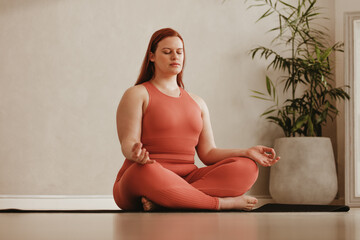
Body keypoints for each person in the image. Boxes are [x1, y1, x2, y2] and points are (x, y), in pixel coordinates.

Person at [113, 28, 280, 211]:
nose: (174, 57)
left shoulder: (197, 102)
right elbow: (128, 142)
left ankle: (167, 199)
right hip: (146, 175)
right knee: (143, 171)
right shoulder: (137, 94)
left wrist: (246, 152)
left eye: (179, 52)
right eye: (167, 52)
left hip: (187, 177)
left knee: (247, 168)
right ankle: (219, 204)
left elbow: (208, 153)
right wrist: (134, 153)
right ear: (151, 56)